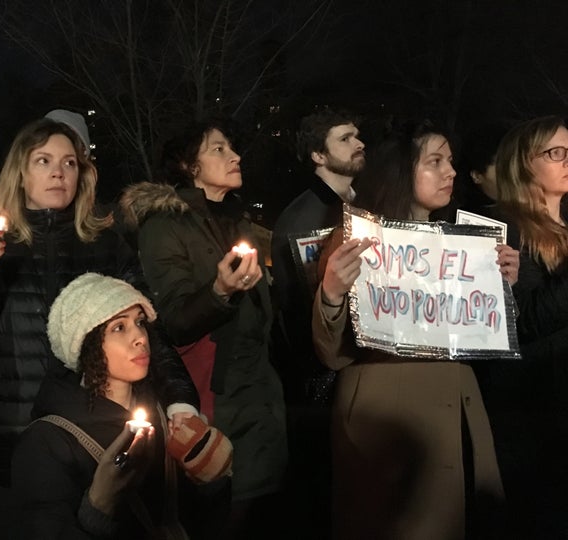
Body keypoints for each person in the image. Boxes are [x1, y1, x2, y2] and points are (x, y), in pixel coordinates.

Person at [0, 118, 198, 539]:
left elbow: (148, 333)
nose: (59, 172)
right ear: (20, 173)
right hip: (10, 440)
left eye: (70, 162)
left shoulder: (108, 246)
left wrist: (181, 403)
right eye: (43, 161)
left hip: (95, 441)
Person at [313, 120, 517, 540]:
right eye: (435, 162)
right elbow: (330, 354)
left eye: (452, 162)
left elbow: (481, 337)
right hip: (387, 431)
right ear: (401, 172)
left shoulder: (466, 246)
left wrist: (501, 291)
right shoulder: (355, 242)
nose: (451, 172)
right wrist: (331, 293)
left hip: (458, 419)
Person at [120, 118, 289, 538]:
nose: (234, 156)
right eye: (218, 149)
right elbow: (173, 319)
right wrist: (219, 290)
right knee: (223, 513)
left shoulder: (237, 221)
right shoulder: (164, 225)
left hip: (261, 392)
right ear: (188, 166)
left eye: (232, 147)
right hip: (218, 394)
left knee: (262, 511)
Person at [12, 272, 232, 539]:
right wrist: (98, 507)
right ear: (85, 343)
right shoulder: (47, 442)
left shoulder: (163, 411)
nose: (140, 337)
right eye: (119, 327)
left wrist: (211, 478)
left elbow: (198, 518)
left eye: (140, 322)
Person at [269, 107, 366, 538]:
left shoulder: (364, 206)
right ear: (317, 156)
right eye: (344, 138)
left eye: (357, 135)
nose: (358, 143)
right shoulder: (300, 220)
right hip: (324, 383)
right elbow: (293, 311)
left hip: (360, 370)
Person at [494, 114, 568, 538]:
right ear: (524, 163)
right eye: (555, 152)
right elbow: (525, 323)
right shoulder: (509, 231)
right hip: (537, 418)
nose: (566, 160)